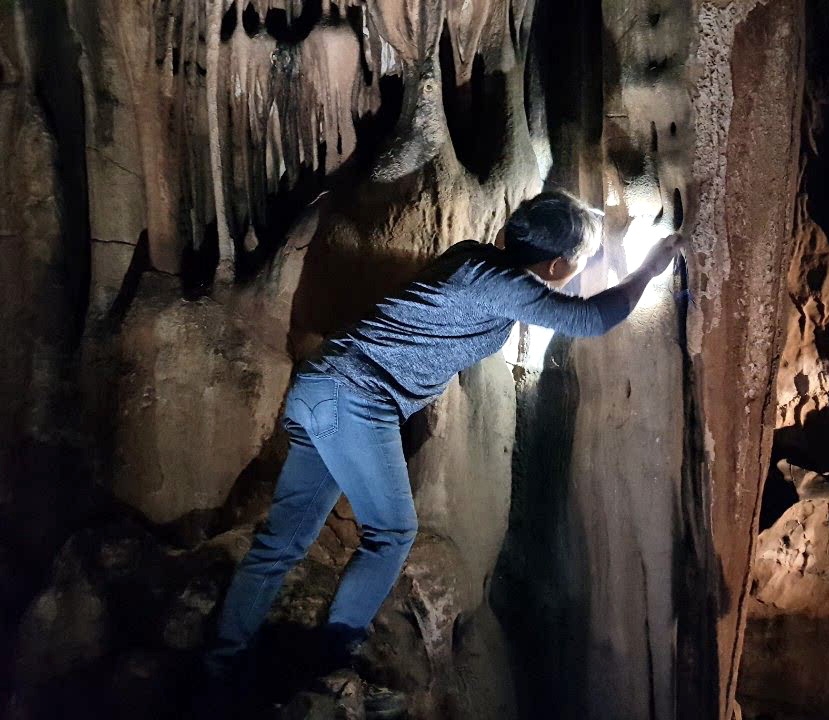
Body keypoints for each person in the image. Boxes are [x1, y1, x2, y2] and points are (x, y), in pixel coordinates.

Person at [199, 189, 682, 713]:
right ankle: (332, 658)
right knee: (391, 532)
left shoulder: (475, 260)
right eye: (578, 263)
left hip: (328, 390)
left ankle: (219, 668)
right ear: (557, 264)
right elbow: (590, 320)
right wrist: (650, 270)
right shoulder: (499, 281)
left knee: (283, 542)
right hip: (356, 396)